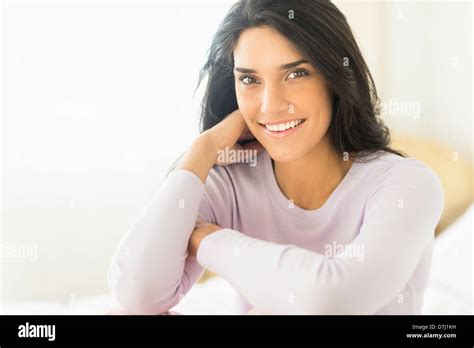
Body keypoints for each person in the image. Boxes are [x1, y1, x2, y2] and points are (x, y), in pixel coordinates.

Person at [107, 0, 444, 315]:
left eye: (296, 74)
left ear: (335, 77)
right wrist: (203, 149)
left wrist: (205, 240)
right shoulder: (230, 181)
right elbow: (137, 294)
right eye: (250, 79)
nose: (270, 105)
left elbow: (332, 299)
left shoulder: (407, 185)